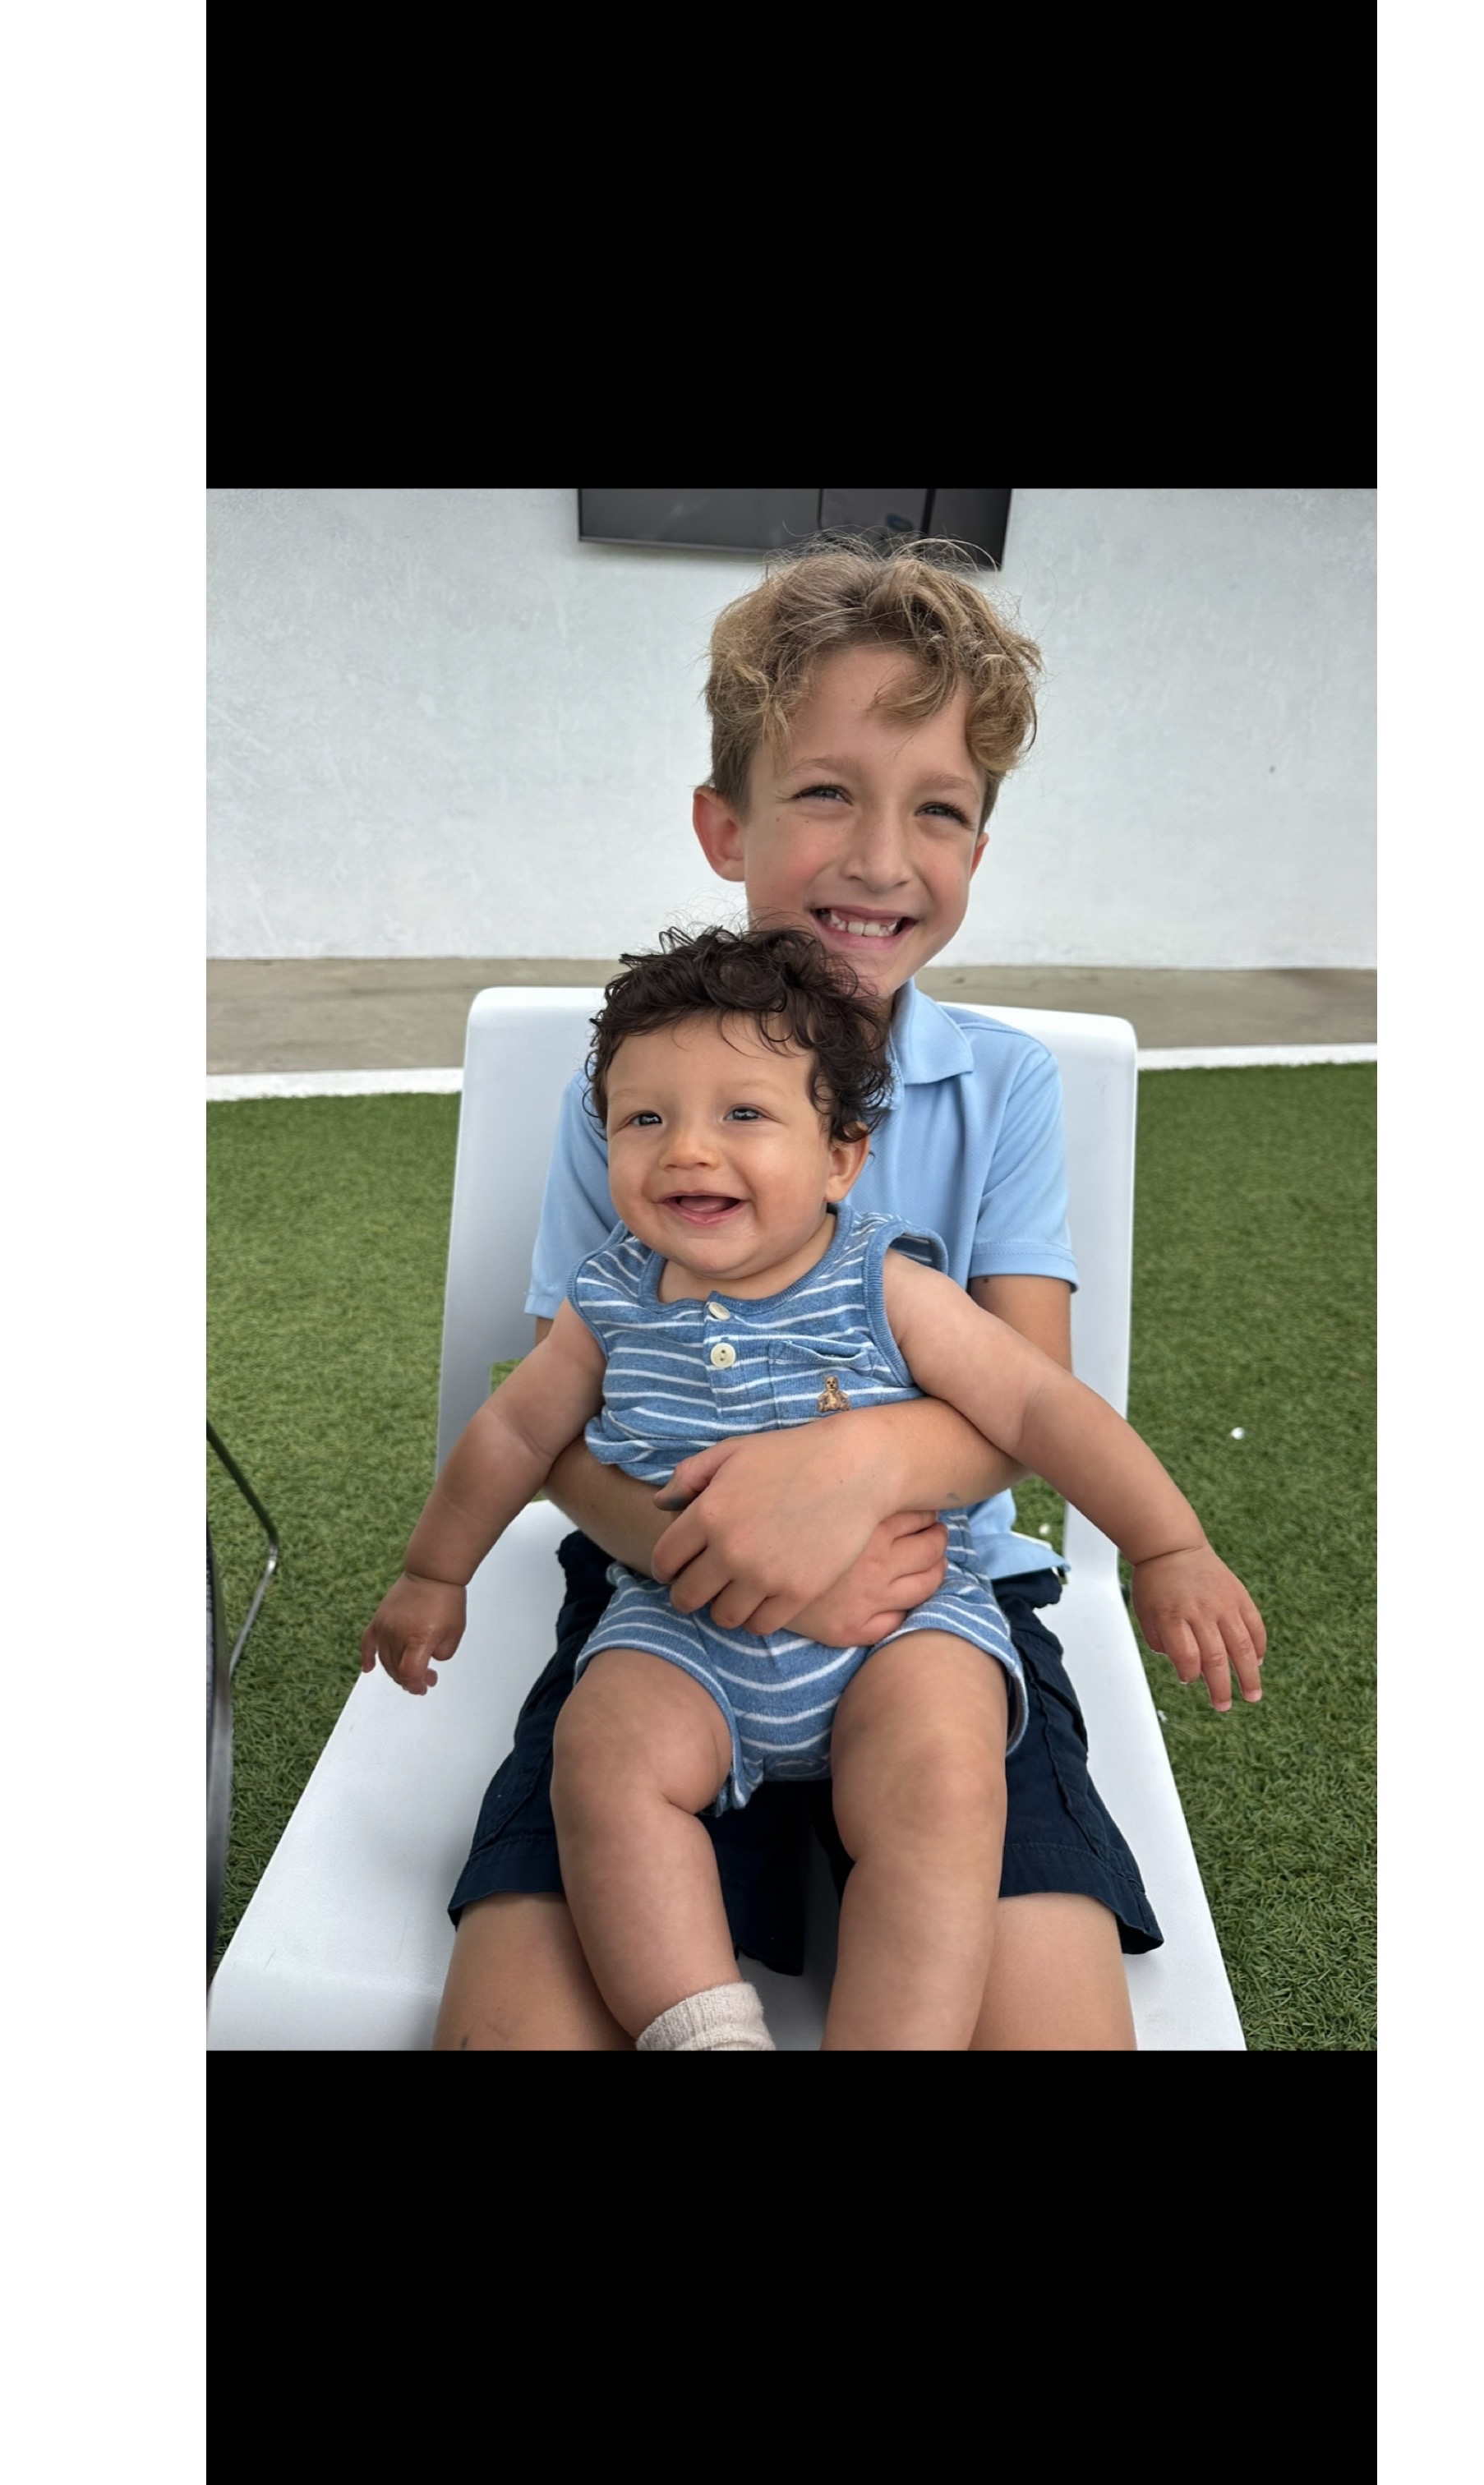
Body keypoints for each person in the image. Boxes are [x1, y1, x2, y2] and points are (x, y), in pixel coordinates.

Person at [419, 537, 1237, 2049]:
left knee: (1049, 2022)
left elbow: (1028, 1403)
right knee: (518, 2018)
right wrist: (704, 1550)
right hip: (666, 1605)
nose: (880, 857)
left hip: (938, 1603)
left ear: (979, 846)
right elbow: (558, 1422)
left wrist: (845, 1474)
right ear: (723, 824)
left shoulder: (1003, 1088)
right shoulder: (642, 1098)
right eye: (824, 793)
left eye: (938, 809)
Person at [362, 926, 1265, 2050]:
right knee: (602, 1759)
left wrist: (1168, 1547)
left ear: (841, 1158)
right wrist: (432, 1573)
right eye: (644, 1120)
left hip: (901, 1625)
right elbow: (513, 1434)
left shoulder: (885, 1280)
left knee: (945, 1782)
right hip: (681, 1626)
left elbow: (1038, 1406)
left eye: (743, 1113)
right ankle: (705, 2030)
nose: (688, 1150)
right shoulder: (608, 1302)